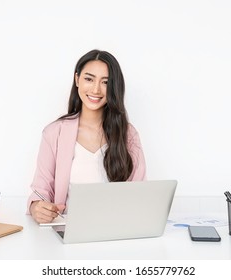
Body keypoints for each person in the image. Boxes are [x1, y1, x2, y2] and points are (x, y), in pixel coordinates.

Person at [27, 49, 146, 223]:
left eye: (105, 82)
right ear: (77, 80)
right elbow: (40, 190)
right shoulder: (54, 133)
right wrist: (36, 207)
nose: (96, 89)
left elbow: (140, 193)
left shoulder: (128, 134)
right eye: (89, 79)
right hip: (69, 228)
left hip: (115, 229)